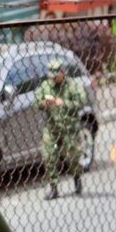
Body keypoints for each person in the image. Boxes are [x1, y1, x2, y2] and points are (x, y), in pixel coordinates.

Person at [34, 59, 86, 200]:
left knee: (73, 156)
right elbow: (37, 102)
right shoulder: (46, 86)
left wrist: (64, 103)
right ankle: (54, 187)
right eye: (51, 76)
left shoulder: (73, 85)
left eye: (56, 75)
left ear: (63, 73)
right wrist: (45, 103)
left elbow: (82, 101)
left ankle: (77, 177)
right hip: (52, 127)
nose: (53, 78)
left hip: (69, 127)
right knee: (48, 155)